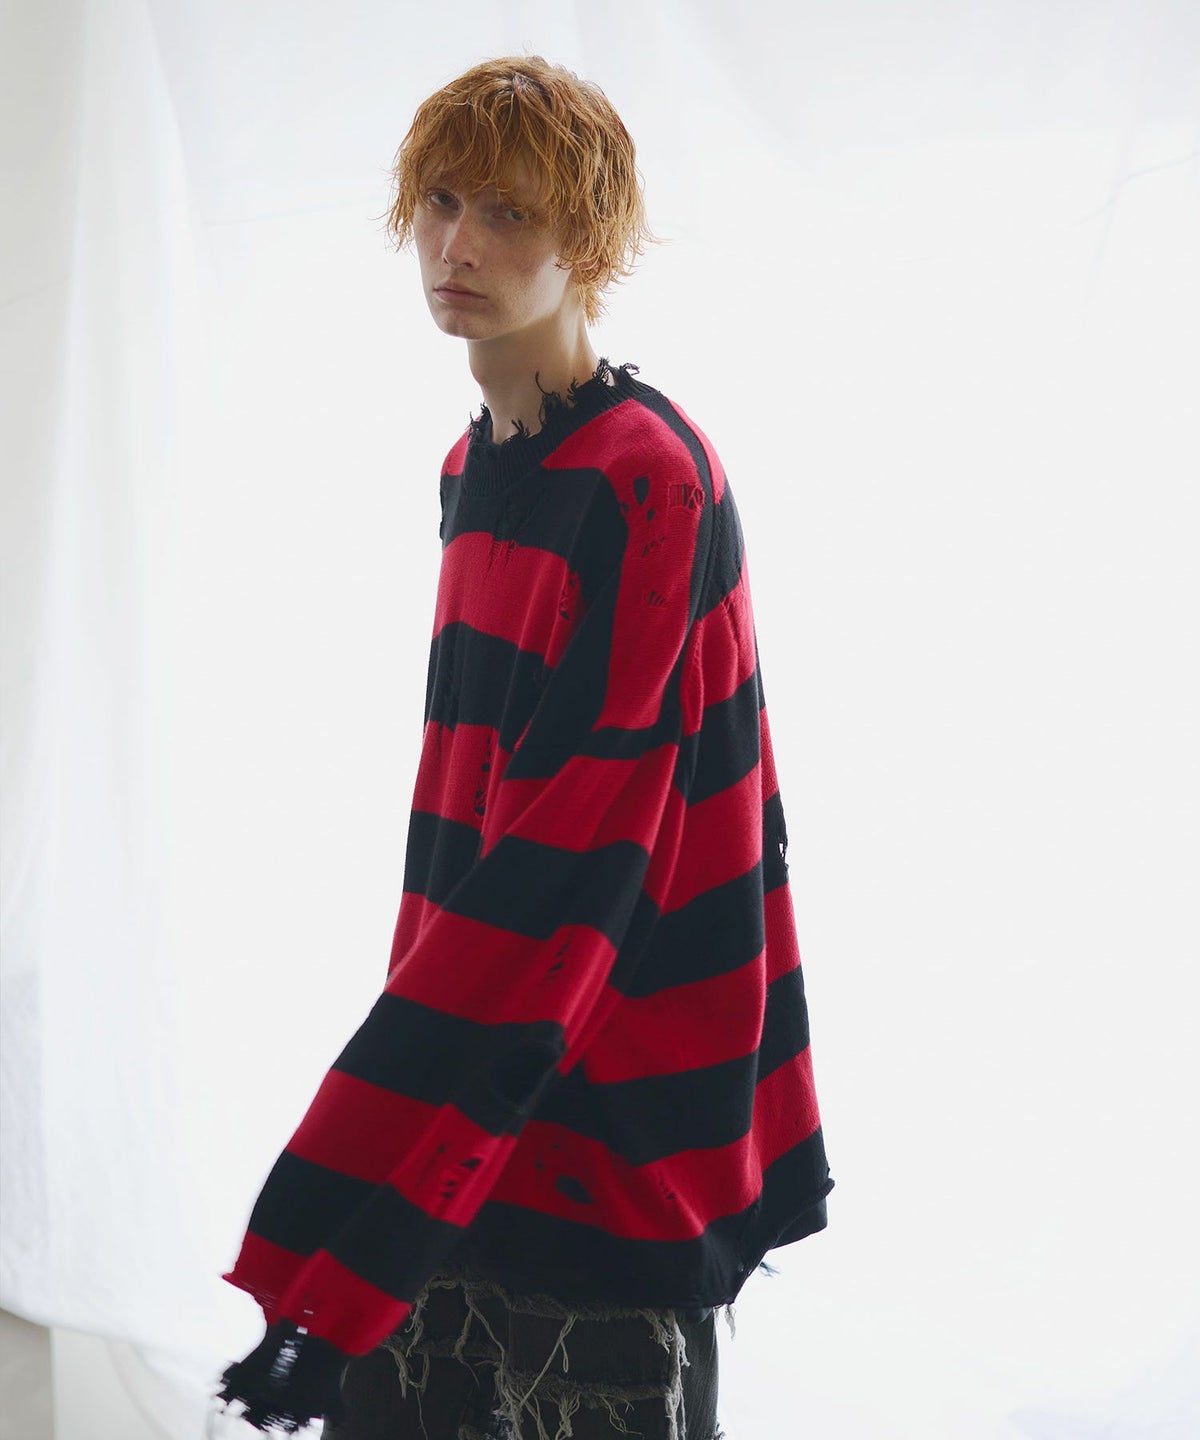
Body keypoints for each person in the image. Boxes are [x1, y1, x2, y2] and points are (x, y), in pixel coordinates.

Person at [212, 54, 833, 1440]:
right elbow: (478, 783)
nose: (461, 245)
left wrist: (398, 1099)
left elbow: (589, 835)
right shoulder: (476, 463)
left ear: (587, 242)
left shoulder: (647, 479)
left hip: (608, 1052)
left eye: (508, 211)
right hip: (498, 999)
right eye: (441, 202)